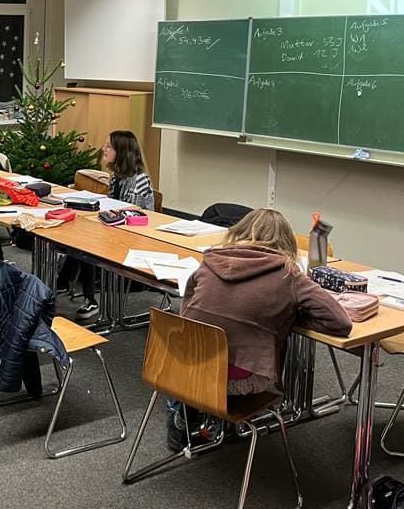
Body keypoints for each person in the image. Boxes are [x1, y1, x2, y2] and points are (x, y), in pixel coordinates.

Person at [169, 208, 352, 451]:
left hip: (183, 366)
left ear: (241, 231)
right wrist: (291, 317)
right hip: (238, 379)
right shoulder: (289, 275)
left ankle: (183, 417)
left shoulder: (210, 261)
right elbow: (341, 322)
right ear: (287, 243)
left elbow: (186, 310)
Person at [72, 130, 156, 323]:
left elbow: (130, 215)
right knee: (78, 239)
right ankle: (65, 285)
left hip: (135, 238)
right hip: (115, 230)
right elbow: (112, 207)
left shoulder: (139, 180)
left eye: (109, 146)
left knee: (87, 245)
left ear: (122, 151)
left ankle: (89, 299)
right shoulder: (116, 176)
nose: (104, 149)